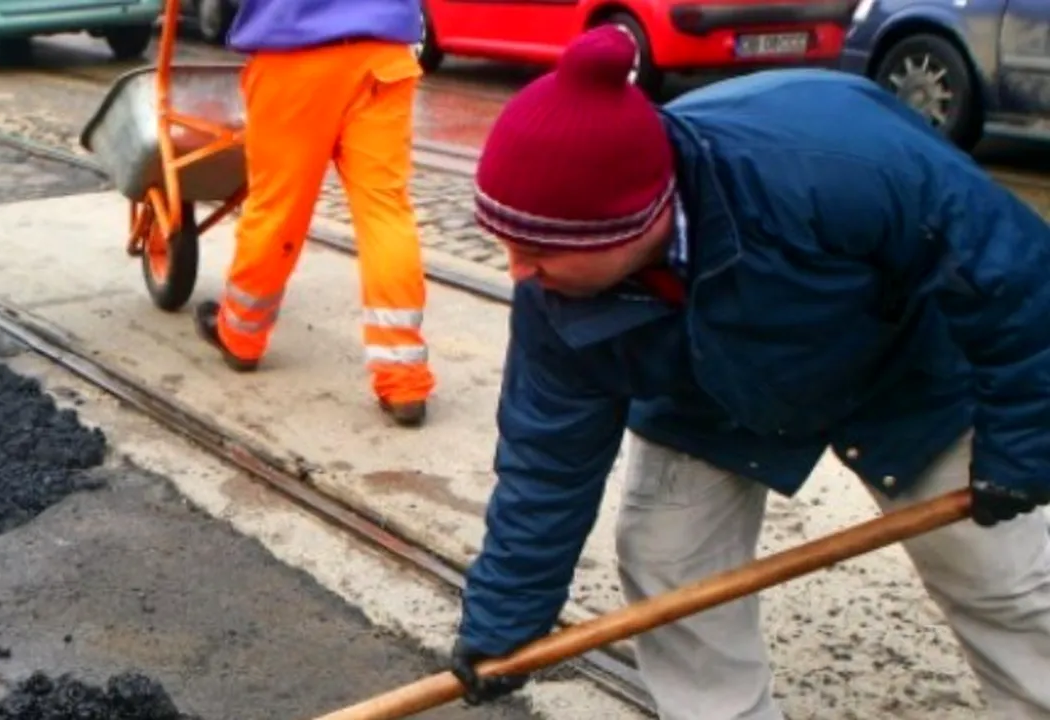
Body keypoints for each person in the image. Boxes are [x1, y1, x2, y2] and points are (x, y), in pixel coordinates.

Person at [447, 26, 1050, 719]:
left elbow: (1018, 280)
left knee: (997, 575)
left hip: (903, 361)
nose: (519, 271)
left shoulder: (836, 164)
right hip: (709, 385)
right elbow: (546, 463)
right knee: (669, 564)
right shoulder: (558, 297)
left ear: (629, 224)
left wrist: (1022, 442)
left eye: (536, 250)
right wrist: (503, 622)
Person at [193, 0, 437, 427]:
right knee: (385, 212)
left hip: (294, 55)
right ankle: (403, 378)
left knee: (277, 208)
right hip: (382, 53)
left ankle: (242, 337)